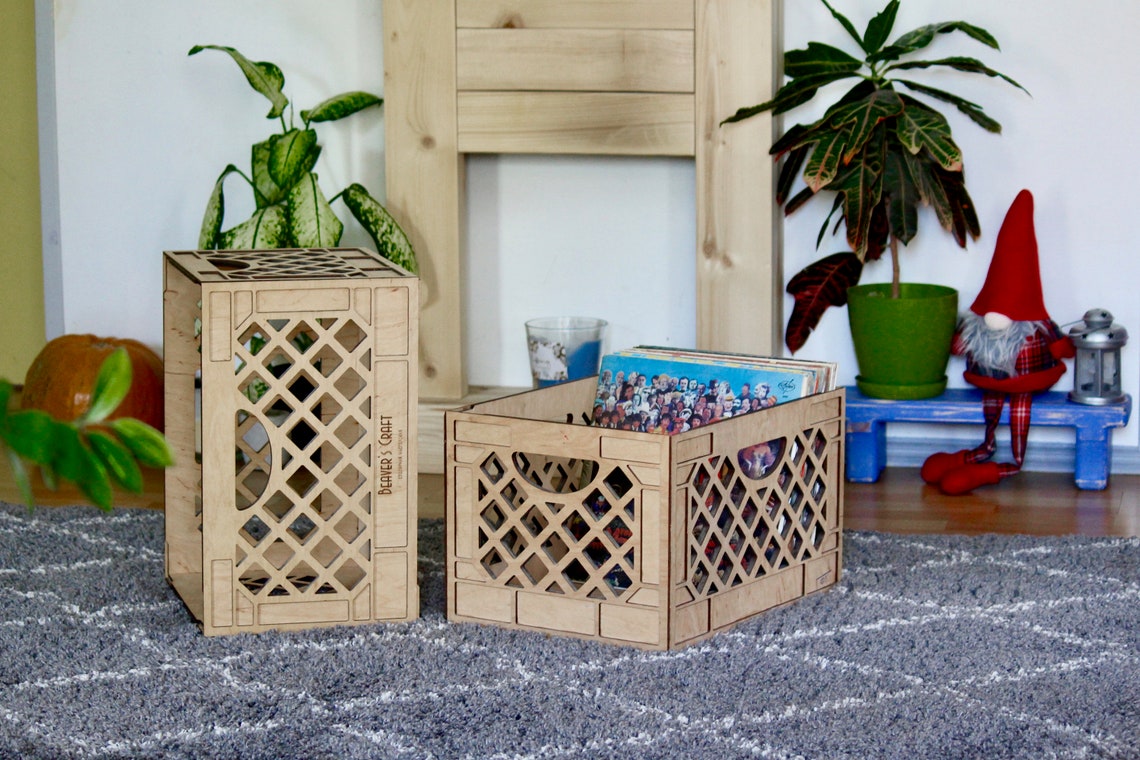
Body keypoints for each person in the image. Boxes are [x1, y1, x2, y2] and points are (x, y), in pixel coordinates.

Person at [921, 190, 1075, 495]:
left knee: (1011, 446)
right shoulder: (1012, 325)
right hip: (996, 382)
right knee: (996, 428)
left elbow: (1063, 349)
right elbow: (1063, 350)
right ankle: (977, 454)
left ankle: (986, 465)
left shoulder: (1029, 325)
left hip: (1015, 382)